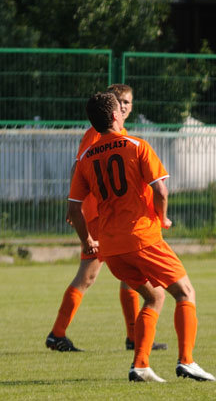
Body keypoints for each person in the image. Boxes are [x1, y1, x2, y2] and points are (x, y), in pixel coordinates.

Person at [67, 91, 215, 382]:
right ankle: (187, 361)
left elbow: (74, 209)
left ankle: (141, 365)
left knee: (154, 296)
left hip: (110, 247)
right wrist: (161, 218)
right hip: (141, 237)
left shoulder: (85, 158)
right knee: (185, 292)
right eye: (120, 109)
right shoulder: (136, 146)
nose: (124, 111)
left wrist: (87, 241)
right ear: (114, 116)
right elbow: (160, 190)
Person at [46, 84, 167, 352]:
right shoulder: (96, 134)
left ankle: (133, 336)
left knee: (129, 274)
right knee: (88, 276)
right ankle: (57, 334)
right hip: (99, 215)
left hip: (112, 216)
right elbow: (80, 167)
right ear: (110, 107)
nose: (123, 105)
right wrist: (74, 207)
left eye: (127, 101)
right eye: (118, 101)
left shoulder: (122, 135)